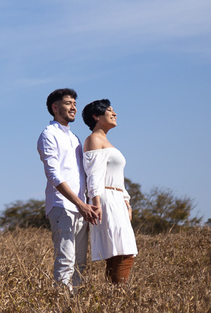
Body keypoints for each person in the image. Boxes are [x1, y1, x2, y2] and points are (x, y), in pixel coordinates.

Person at [37, 88, 101, 290]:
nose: (73, 107)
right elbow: (53, 175)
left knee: (80, 264)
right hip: (62, 206)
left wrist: (87, 204)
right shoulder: (48, 135)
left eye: (74, 103)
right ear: (55, 108)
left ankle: (76, 305)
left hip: (81, 208)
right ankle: (61, 304)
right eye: (68, 103)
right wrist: (80, 203)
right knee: (65, 261)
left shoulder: (75, 138)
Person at [82, 99, 138, 284]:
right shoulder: (94, 140)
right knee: (123, 250)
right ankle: (119, 294)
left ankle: (114, 295)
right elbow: (94, 176)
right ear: (96, 116)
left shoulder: (106, 141)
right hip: (105, 199)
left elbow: (118, 177)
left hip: (117, 198)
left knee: (121, 251)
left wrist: (126, 201)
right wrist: (96, 204)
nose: (114, 114)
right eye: (109, 111)